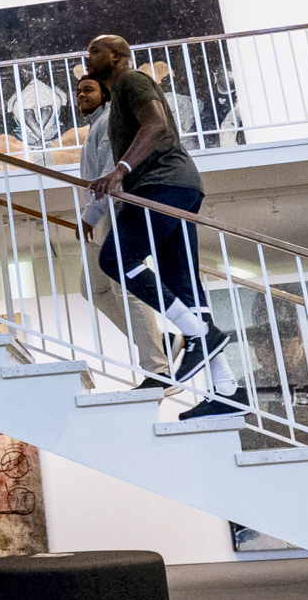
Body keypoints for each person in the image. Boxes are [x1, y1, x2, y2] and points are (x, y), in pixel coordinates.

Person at [85, 33, 241, 418]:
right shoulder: (120, 93)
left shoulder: (132, 81)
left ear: (117, 56)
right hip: (178, 186)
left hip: (164, 184)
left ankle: (197, 336)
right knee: (183, 287)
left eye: (94, 51)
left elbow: (155, 125)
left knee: (116, 258)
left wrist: (121, 170)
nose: (86, 57)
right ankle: (227, 392)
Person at [76, 68, 168, 390]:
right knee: (93, 288)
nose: (82, 96)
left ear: (104, 93)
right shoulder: (94, 127)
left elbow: (107, 172)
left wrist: (91, 212)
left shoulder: (108, 121)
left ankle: (159, 371)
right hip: (100, 214)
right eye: (78, 92)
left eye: (88, 89)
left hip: (111, 209)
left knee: (124, 287)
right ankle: (161, 342)